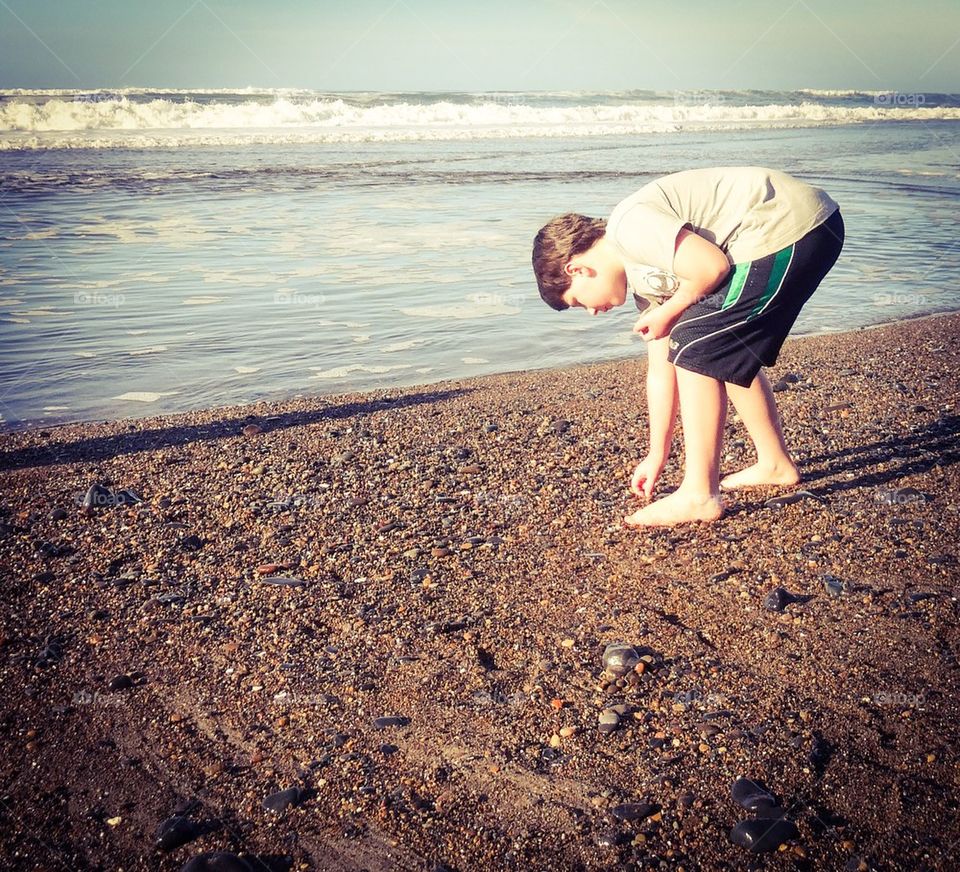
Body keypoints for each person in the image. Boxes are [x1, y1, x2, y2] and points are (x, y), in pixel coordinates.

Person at [531, 166, 844, 527]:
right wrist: (656, 454)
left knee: (698, 343)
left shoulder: (627, 227)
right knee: (719, 343)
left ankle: (699, 494)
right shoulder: (646, 281)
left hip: (789, 226)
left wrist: (673, 310)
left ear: (576, 270)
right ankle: (774, 462)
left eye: (578, 302)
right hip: (797, 231)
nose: (591, 312)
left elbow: (710, 266)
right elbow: (661, 370)